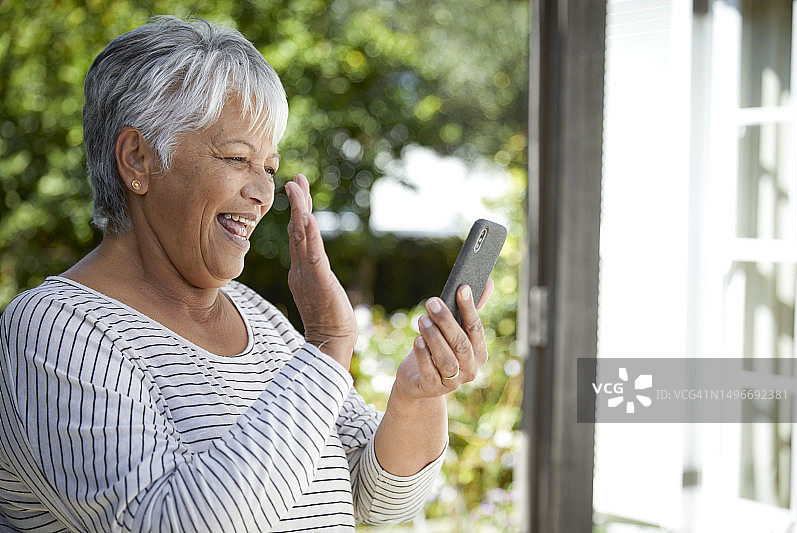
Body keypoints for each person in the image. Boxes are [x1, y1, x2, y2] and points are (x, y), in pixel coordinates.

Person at [0, 16, 492, 533]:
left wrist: (418, 395)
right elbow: (174, 525)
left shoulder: (261, 320)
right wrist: (327, 345)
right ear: (137, 159)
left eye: (270, 167)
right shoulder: (54, 330)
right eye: (237, 158)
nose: (263, 194)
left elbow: (380, 501)